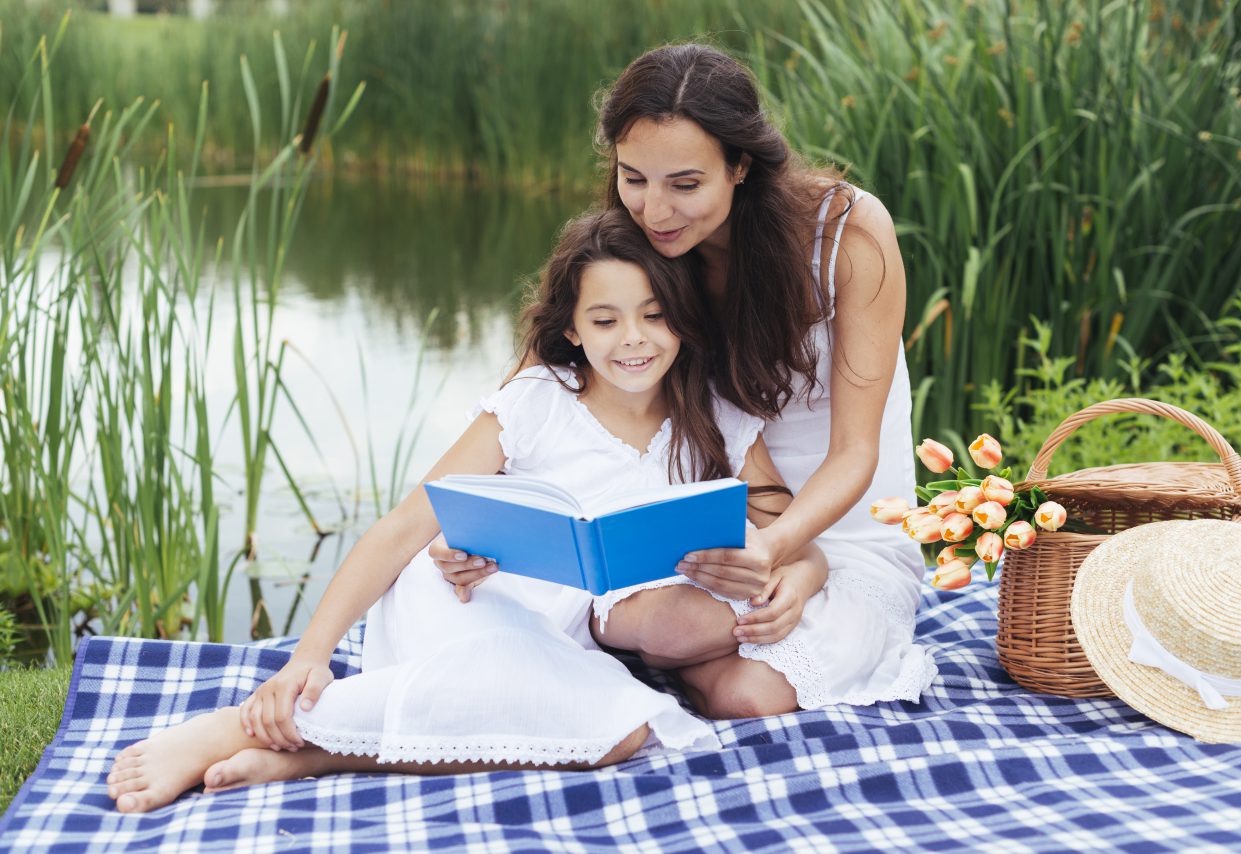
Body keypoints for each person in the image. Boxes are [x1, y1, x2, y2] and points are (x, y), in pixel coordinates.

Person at [106, 208, 827, 814]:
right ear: (572, 328)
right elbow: (401, 530)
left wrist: (792, 580)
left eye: (654, 315)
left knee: (619, 735)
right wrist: (309, 654)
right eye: (605, 320)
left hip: (565, 642)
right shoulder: (539, 400)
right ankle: (237, 727)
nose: (632, 339)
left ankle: (313, 758)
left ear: (685, 319)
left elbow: (795, 536)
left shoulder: (717, 418)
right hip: (468, 596)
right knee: (505, 672)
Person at [437, 43, 936, 714]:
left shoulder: (846, 234)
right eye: (633, 176)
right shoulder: (637, 248)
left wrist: (782, 552)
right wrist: (473, 525)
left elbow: (856, 454)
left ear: (739, 166)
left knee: (751, 694)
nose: (656, 210)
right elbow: (535, 391)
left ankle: (673, 668)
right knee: (678, 628)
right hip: (700, 536)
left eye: (685, 184)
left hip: (832, 531)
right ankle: (666, 652)